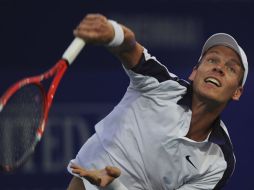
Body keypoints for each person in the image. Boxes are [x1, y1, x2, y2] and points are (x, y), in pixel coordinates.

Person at [67, 13, 248, 190]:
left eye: (231, 68)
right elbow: (129, 46)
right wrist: (112, 32)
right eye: (212, 59)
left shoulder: (218, 162)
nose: (219, 68)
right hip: (86, 181)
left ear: (237, 92)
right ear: (194, 72)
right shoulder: (161, 84)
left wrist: (114, 185)